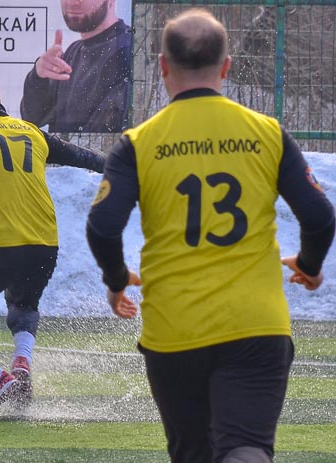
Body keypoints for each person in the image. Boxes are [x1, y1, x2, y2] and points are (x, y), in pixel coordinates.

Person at [86, 9, 334, 463]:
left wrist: (117, 279)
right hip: (256, 325)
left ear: (162, 66)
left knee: (193, 453)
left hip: (174, 328)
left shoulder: (139, 142)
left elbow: (103, 226)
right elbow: (319, 216)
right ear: (226, 66)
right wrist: (310, 266)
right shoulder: (267, 133)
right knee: (246, 447)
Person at [0, 77, 107, 421]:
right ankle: (21, 362)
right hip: (44, 243)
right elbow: (82, 156)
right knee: (23, 303)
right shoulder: (32, 132)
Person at [20, 0, 132, 133]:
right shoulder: (72, 52)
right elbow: (32, 119)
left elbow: (104, 134)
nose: (72, 3)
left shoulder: (127, 51)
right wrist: (38, 76)